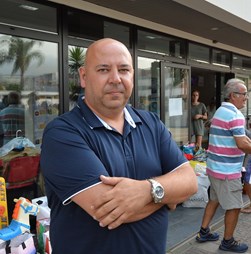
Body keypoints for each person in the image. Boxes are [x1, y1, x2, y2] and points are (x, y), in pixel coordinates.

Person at [40, 38, 198, 254]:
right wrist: (167, 194)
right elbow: (106, 208)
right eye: (104, 69)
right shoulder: (63, 133)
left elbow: (189, 181)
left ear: (132, 75)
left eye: (123, 70)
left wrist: (146, 190)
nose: (115, 79)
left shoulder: (150, 123)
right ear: (84, 77)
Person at [195, 78, 251, 253]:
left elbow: (243, 139)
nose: (246, 98)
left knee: (214, 199)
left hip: (214, 168)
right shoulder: (235, 115)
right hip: (227, 171)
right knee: (234, 206)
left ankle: (203, 232)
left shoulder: (220, 111)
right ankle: (228, 241)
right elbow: (242, 144)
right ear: (233, 95)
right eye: (244, 94)